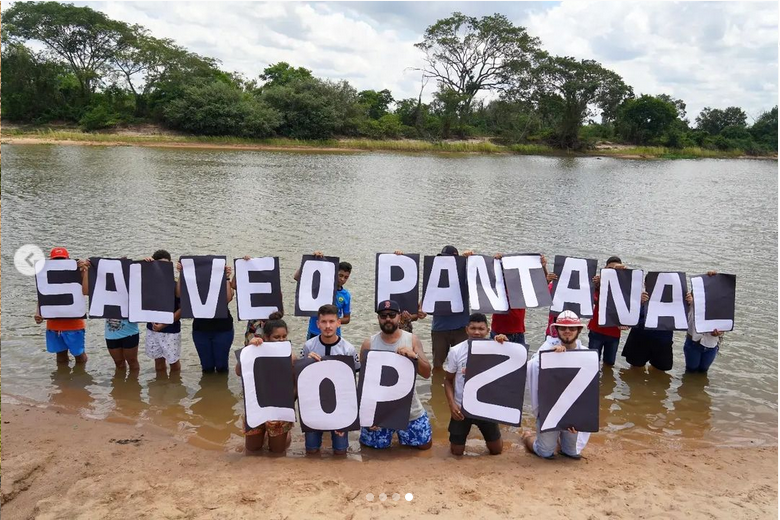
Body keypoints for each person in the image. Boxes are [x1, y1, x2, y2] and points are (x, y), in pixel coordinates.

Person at [359, 300, 433, 450]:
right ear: (378, 318)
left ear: (399, 317)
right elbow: (364, 382)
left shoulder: (411, 339)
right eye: (383, 315)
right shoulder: (369, 344)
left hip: (409, 407)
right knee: (371, 448)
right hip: (379, 411)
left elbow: (426, 373)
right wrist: (367, 414)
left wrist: (414, 356)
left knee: (425, 446)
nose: (387, 319)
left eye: (392, 315)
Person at [522, 310, 591, 459]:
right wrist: (550, 358)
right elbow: (529, 368)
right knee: (544, 453)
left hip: (572, 410)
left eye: (572, 328)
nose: (567, 331)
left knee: (571, 453)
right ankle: (528, 436)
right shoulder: (547, 349)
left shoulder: (587, 355)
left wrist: (581, 419)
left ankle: (560, 440)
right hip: (550, 409)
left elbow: (588, 390)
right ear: (557, 330)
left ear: (579, 330)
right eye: (563, 328)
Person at [300, 304, 360, 455]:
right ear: (317, 324)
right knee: (311, 450)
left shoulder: (348, 349)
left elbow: (352, 386)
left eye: (332, 321)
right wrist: (306, 363)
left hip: (340, 406)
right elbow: (301, 381)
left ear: (338, 323)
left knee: (340, 451)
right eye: (324, 322)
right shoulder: (308, 346)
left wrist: (347, 416)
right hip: (314, 404)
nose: (328, 326)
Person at [444, 313, 507, 456]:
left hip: (485, 406)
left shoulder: (496, 347)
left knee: (496, 450)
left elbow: (510, 370)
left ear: (488, 330)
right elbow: (448, 380)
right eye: (473, 328)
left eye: (481, 329)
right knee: (456, 452)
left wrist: (505, 344)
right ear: (467, 329)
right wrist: (452, 404)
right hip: (462, 407)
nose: (477, 332)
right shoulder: (456, 351)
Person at [235, 312, 294, 454]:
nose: (281, 340)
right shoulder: (255, 352)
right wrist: (248, 349)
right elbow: (238, 371)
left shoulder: (290, 356)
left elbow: (296, 383)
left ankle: (286, 437)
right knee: (252, 450)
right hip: (255, 407)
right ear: (266, 337)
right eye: (276, 337)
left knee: (277, 452)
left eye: (284, 337)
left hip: (278, 408)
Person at [78, 258, 140, 371]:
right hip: (111, 334)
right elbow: (85, 291)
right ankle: (120, 388)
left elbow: (149, 287)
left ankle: (134, 387)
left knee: (132, 363)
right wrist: (87, 270)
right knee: (119, 364)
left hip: (130, 332)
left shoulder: (133, 286)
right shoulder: (105, 288)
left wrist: (149, 262)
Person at [34, 247, 88, 366]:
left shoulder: (78, 272)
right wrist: (38, 312)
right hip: (54, 325)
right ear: (50, 260)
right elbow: (43, 296)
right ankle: (62, 382)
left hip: (74, 325)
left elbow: (87, 291)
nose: (59, 261)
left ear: (68, 259)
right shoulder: (47, 275)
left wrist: (85, 269)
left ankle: (80, 380)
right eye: (56, 259)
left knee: (79, 355)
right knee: (60, 356)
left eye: (62, 259)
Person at [179, 261, 235, 373]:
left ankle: (220, 388)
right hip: (201, 330)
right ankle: (209, 387)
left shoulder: (221, 282)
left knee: (222, 366)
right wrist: (182, 273)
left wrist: (226, 277)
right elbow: (180, 295)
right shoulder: (195, 285)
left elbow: (228, 298)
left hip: (223, 329)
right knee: (207, 367)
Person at [490, 253, 550, 345]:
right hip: (497, 333)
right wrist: (496, 261)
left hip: (518, 334)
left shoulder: (522, 289)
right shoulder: (497, 287)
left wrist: (543, 267)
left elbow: (543, 284)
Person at [430, 245, 472, 369]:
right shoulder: (436, 278)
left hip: (461, 329)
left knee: (462, 365)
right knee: (437, 365)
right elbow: (426, 303)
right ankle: (437, 387)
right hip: (439, 329)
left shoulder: (465, 276)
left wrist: (470, 262)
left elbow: (479, 282)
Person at [293, 252, 352, 340]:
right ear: (335, 272)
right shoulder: (319, 287)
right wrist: (311, 261)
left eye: (346, 277)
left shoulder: (346, 295)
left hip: (334, 333)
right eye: (340, 275)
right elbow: (297, 277)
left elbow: (347, 319)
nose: (342, 279)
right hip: (315, 331)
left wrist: (332, 320)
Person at [143, 250, 182, 373]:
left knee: (173, 363)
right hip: (152, 329)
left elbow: (182, 308)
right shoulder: (148, 283)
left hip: (171, 330)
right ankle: (160, 387)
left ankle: (175, 388)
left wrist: (164, 324)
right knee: (158, 363)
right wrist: (146, 265)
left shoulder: (175, 284)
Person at [586, 256, 627, 365]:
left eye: (615, 269)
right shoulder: (598, 284)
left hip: (614, 333)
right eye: (610, 268)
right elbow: (593, 301)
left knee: (609, 363)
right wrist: (599, 285)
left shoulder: (625, 287)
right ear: (605, 268)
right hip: (596, 330)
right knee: (593, 362)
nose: (612, 271)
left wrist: (622, 273)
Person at [621, 291, 677, 371]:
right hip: (640, 336)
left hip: (663, 338)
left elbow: (684, 315)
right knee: (635, 369)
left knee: (659, 371)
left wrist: (690, 303)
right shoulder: (639, 297)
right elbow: (625, 314)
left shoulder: (676, 298)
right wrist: (638, 302)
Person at [683, 271, 724, 374]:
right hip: (693, 344)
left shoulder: (720, 306)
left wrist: (720, 332)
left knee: (703, 372)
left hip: (711, 345)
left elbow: (724, 326)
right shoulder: (691, 304)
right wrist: (707, 276)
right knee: (690, 373)